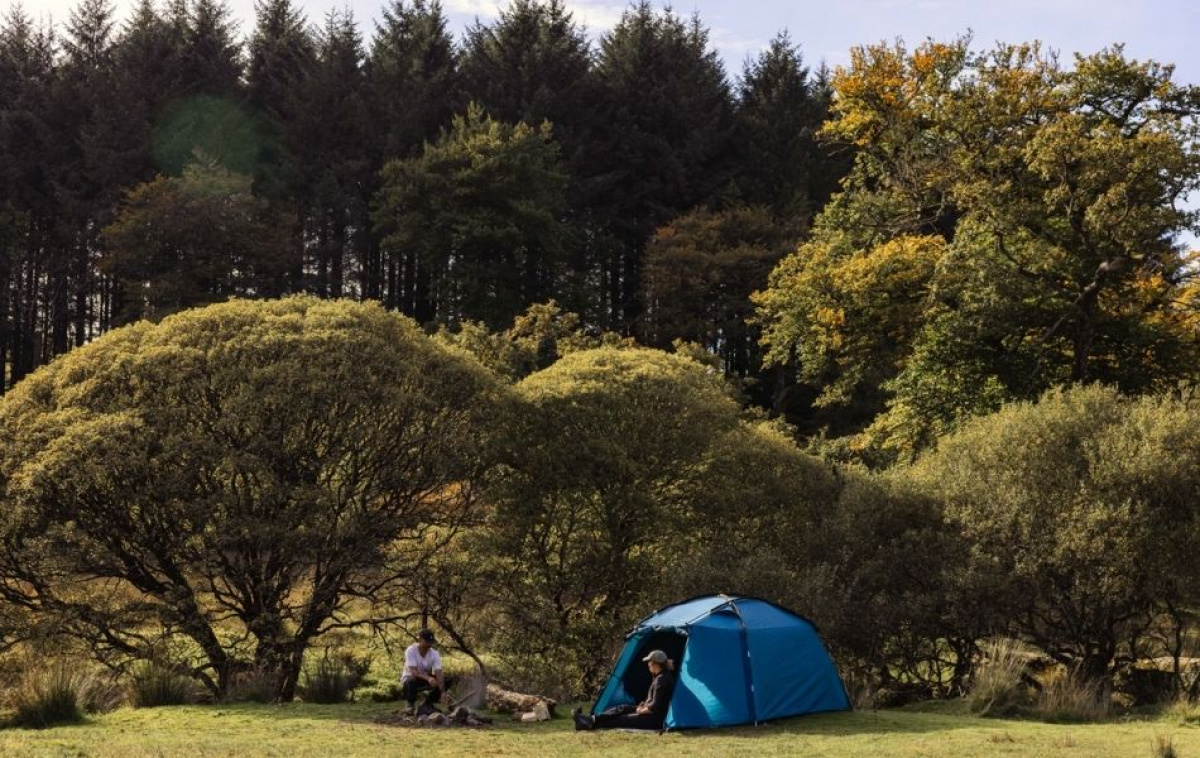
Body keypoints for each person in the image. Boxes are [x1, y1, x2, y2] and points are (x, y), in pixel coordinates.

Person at [573, 650, 676, 731]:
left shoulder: (662, 680)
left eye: (649, 662)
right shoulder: (661, 677)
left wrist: (641, 710)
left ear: (655, 664)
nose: (648, 664)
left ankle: (588, 724)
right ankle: (592, 719)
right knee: (622, 708)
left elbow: (655, 706)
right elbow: (655, 701)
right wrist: (644, 705)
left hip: (653, 719)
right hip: (650, 713)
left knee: (622, 718)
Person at [401, 628, 445, 714]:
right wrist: (428, 678)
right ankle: (410, 705)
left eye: (431, 641)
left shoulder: (434, 653)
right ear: (420, 640)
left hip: (425, 679)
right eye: (427, 641)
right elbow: (414, 672)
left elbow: (438, 672)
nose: (430, 643)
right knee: (412, 679)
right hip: (410, 679)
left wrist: (442, 691)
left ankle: (429, 702)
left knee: (446, 679)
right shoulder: (411, 650)